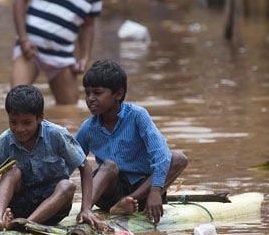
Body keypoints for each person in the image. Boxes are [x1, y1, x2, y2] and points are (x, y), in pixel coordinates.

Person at [0, 85, 106, 232]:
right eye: (13, 122)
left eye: (26, 123)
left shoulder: (56, 134)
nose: (19, 129)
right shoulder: (6, 140)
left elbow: (84, 167)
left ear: (39, 118)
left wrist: (86, 209)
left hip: (54, 209)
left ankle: (28, 224)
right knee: (12, 172)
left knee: (67, 185)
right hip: (21, 206)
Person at [74, 60, 188, 225]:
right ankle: (86, 212)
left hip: (143, 193)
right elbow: (70, 161)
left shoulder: (137, 116)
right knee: (109, 166)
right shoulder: (88, 127)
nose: (90, 99)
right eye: (87, 93)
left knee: (178, 158)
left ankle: (126, 202)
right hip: (110, 194)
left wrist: (156, 190)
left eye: (97, 93)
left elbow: (161, 154)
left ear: (118, 94)